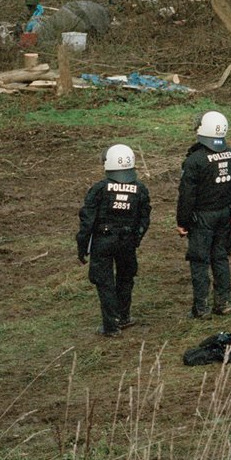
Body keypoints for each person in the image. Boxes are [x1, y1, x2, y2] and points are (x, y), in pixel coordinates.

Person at [77, 143, 150, 337]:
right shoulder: (139, 189)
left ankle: (111, 325)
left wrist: (82, 247)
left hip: (103, 242)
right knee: (126, 277)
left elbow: (87, 221)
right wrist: (136, 239)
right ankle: (124, 317)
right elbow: (144, 219)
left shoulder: (99, 189)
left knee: (104, 282)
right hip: (127, 241)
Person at [176, 110, 231, 319]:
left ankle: (201, 307)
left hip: (202, 218)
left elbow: (187, 195)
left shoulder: (195, 160)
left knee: (199, 261)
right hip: (225, 214)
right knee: (221, 258)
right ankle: (223, 302)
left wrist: (182, 222)